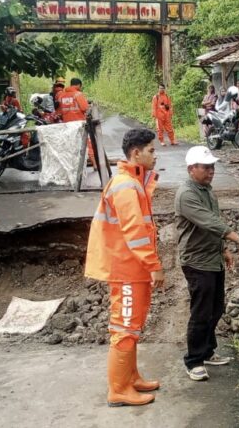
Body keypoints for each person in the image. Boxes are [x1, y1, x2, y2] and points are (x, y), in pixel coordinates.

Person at [84, 128, 165, 407]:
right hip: (127, 270)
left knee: (132, 326)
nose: (155, 155)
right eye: (151, 150)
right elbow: (135, 233)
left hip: (133, 269)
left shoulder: (132, 182)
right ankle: (118, 389)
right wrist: (154, 266)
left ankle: (131, 378)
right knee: (125, 328)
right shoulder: (126, 186)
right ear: (136, 153)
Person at [175, 146, 239, 381]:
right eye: (206, 167)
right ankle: (194, 360)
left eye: (212, 167)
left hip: (213, 258)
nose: (211, 171)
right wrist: (238, 239)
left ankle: (207, 351)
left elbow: (214, 222)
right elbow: (209, 222)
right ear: (191, 169)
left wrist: (223, 249)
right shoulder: (187, 194)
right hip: (197, 261)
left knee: (215, 308)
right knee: (201, 312)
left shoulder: (207, 191)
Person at [58, 78, 96, 168]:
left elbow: (60, 110)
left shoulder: (62, 95)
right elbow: (85, 108)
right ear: (78, 85)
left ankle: (73, 166)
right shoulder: (78, 94)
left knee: (71, 144)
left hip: (67, 125)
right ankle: (94, 164)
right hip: (79, 124)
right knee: (87, 143)